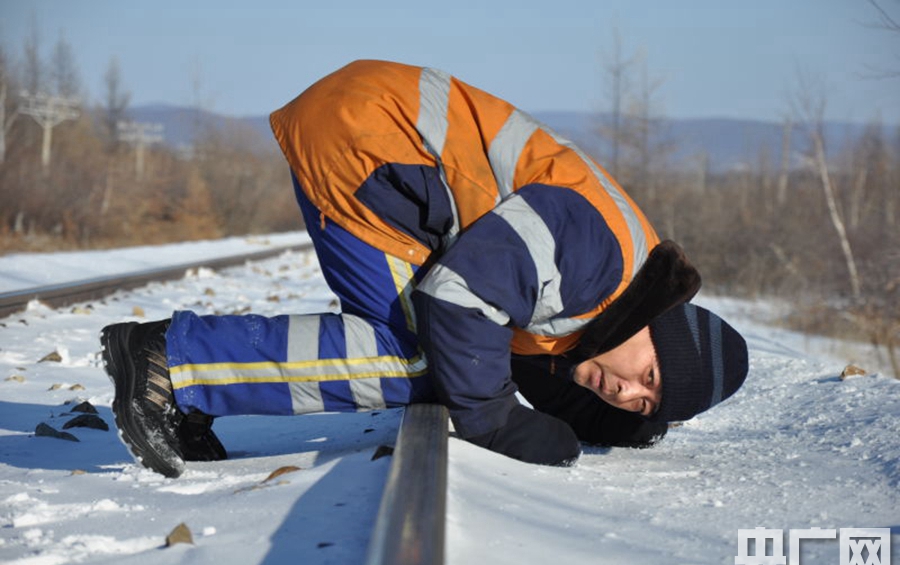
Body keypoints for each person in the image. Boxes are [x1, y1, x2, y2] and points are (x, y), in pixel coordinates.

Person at [100, 60, 749, 479]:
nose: (629, 393)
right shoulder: (598, 261)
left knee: (459, 361)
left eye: (647, 404)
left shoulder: (604, 313)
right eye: (650, 378)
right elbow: (462, 299)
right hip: (374, 146)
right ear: (658, 328)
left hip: (380, 144)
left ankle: (195, 382)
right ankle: (169, 362)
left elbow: (539, 368)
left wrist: (612, 424)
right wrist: (492, 415)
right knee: (429, 361)